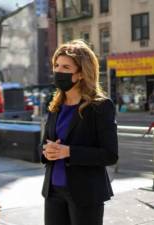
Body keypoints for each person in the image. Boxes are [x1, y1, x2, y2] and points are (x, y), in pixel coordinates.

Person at [40, 40, 118, 225]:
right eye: (56, 66)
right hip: (53, 192)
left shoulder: (100, 106)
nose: (59, 71)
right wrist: (46, 152)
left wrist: (69, 152)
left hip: (86, 194)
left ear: (81, 73)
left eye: (66, 67)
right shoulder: (55, 105)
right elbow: (44, 146)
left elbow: (110, 155)